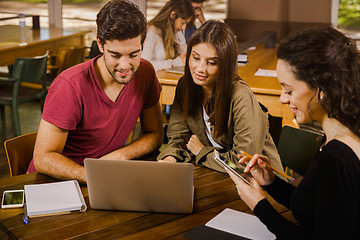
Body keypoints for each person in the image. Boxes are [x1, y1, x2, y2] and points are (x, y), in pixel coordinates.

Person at [227, 26, 360, 239]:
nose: (282, 98)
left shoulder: (337, 158)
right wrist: (271, 183)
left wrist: (259, 206)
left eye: (288, 90)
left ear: (322, 89)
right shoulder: (341, 137)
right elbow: (319, 210)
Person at [29, 0, 163, 184]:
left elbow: (155, 134)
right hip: (55, 182)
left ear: (143, 44)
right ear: (100, 44)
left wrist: (120, 156)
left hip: (104, 176)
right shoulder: (69, 86)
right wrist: (92, 175)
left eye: (133, 54)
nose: (125, 66)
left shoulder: (146, 72)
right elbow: (43, 159)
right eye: (115, 55)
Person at [157, 20, 283, 175]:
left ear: (225, 64)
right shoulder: (185, 85)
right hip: (216, 173)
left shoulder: (240, 97)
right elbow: (178, 136)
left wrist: (203, 152)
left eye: (212, 63)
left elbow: (242, 165)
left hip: (260, 183)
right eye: (195, 58)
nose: (200, 69)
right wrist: (170, 158)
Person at [142, 0, 194, 71]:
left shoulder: (175, 31)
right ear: (173, 15)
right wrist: (173, 63)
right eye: (182, 23)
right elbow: (144, 64)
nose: (184, 28)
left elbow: (185, 56)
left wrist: (178, 34)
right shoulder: (153, 31)